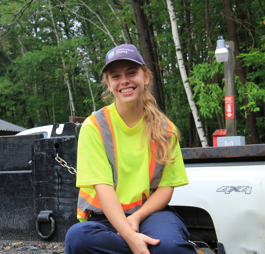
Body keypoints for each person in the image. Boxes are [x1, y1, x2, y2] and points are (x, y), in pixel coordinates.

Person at [65, 44, 197, 254]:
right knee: (77, 238)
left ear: (146, 77)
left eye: (132, 72)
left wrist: (135, 220)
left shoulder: (166, 130)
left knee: (170, 247)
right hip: (105, 217)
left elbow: (166, 188)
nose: (124, 80)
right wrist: (130, 237)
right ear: (109, 84)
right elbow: (103, 188)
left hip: (150, 214)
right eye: (116, 76)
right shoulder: (95, 126)